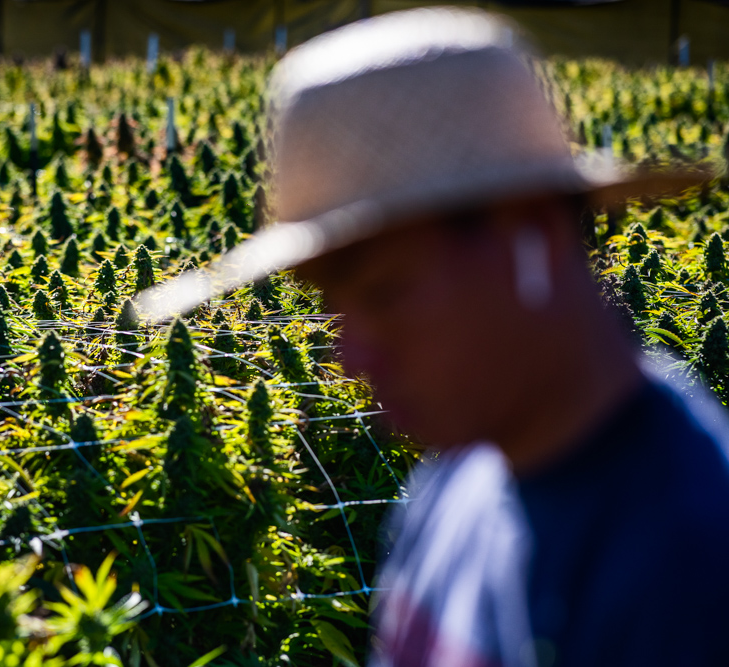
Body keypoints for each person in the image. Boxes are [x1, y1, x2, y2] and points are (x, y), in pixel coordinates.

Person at [136, 7, 729, 666]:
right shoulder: (455, 485)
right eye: (332, 306)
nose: (349, 356)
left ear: (535, 235)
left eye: (386, 294)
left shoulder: (692, 558)